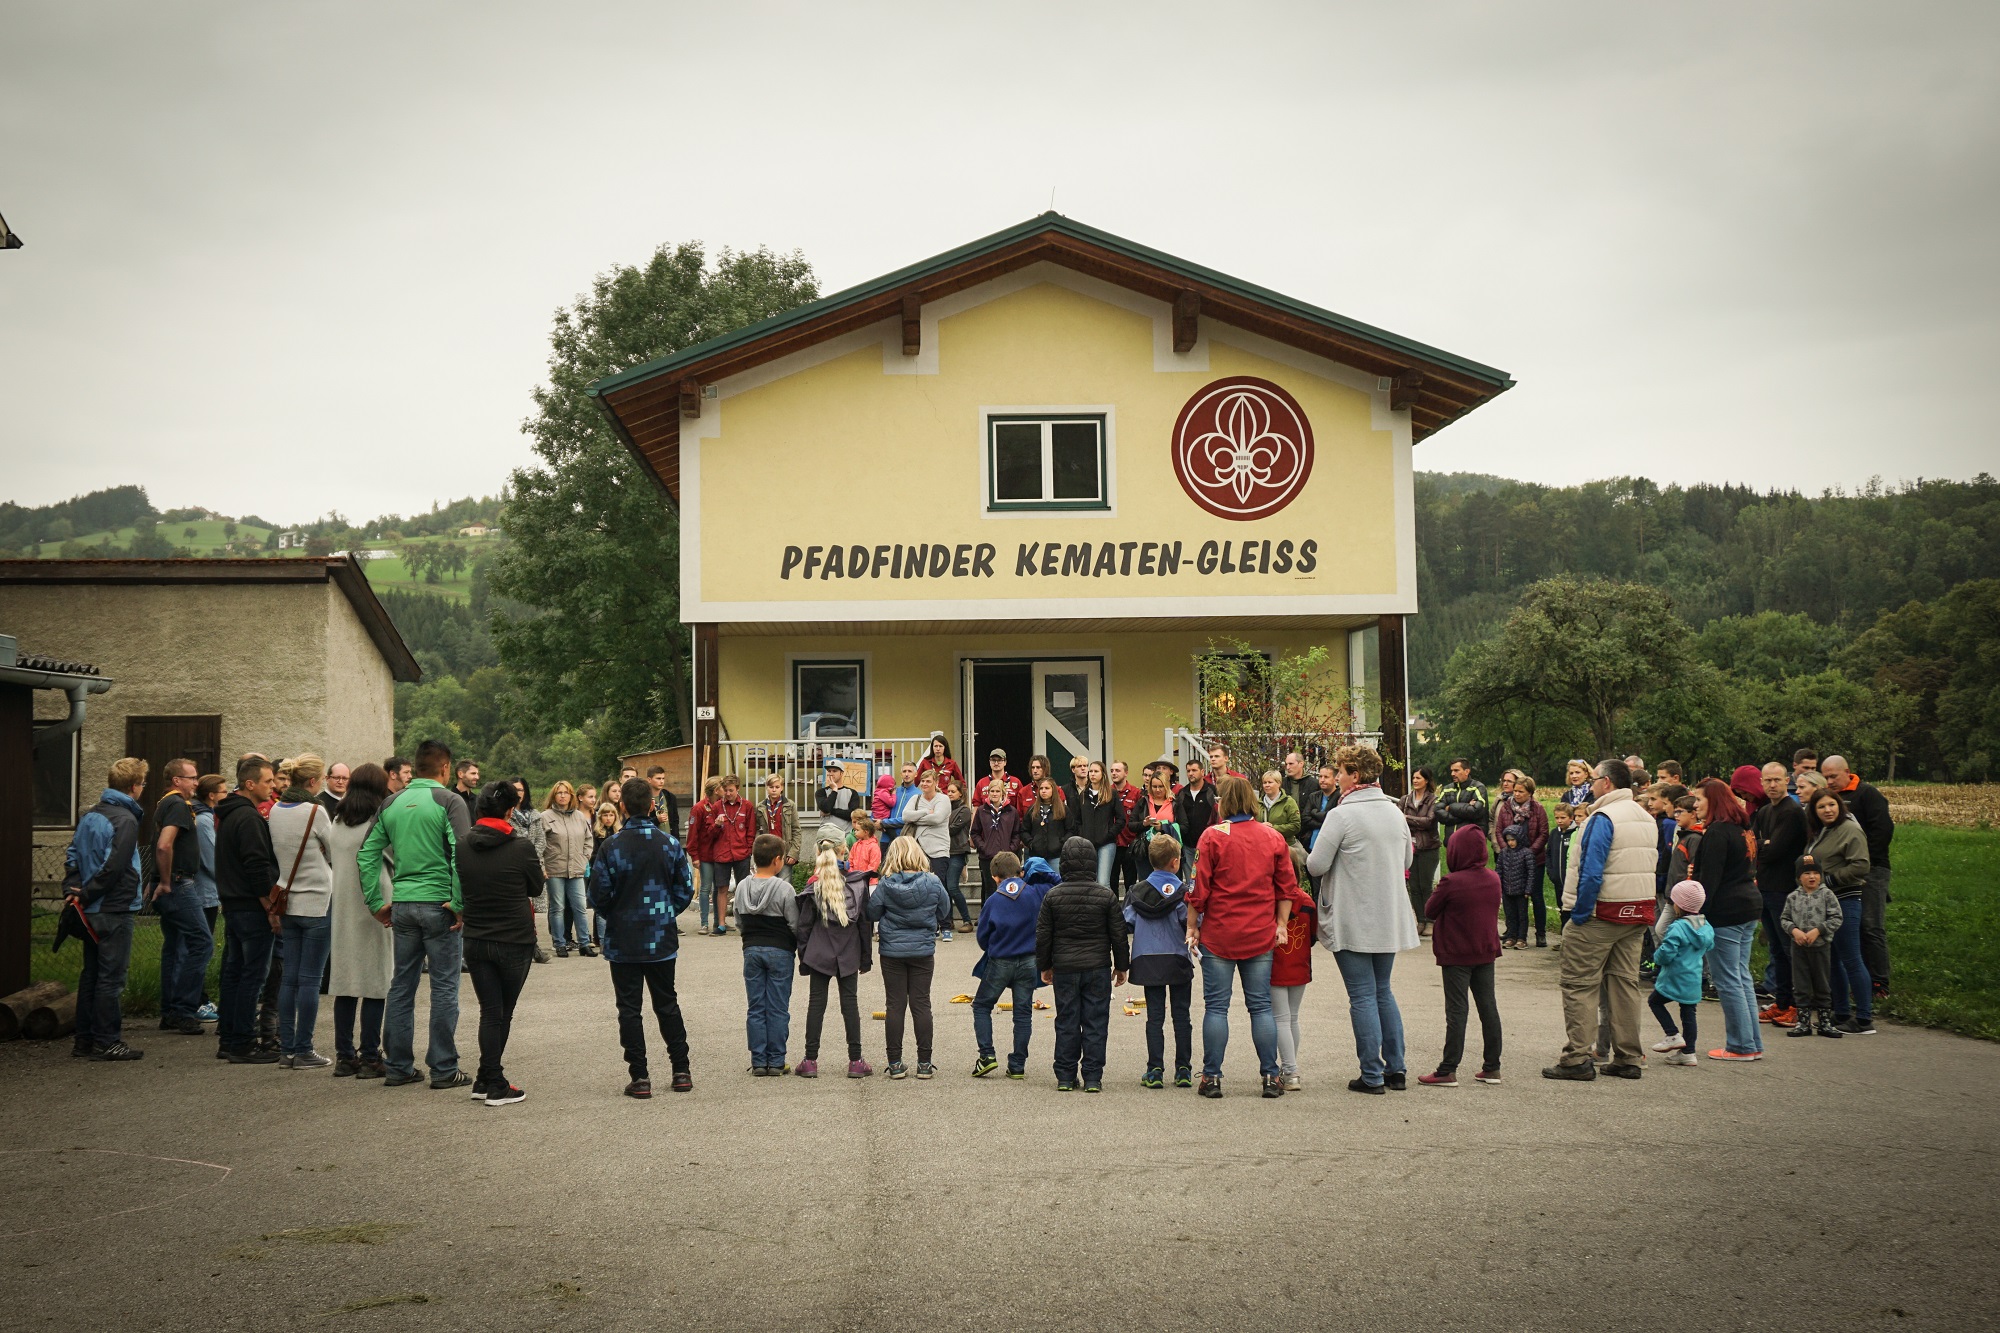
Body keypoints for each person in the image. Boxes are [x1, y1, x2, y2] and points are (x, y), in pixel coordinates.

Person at [358, 738, 473, 1090]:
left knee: (401, 986)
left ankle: (398, 1067)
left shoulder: (391, 802)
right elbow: (462, 854)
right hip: (440, 905)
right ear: (445, 769)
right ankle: (442, 1068)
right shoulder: (449, 800)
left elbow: (366, 854)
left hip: (404, 904)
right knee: (443, 987)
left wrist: (377, 903)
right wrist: (460, 902)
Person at [1307, 744, 1417, 1095]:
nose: (1336, 778)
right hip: (1387, 914)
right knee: (1382, 990)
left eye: (1340, 771)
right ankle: (1395, 1069)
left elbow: (1316, 865)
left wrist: (1299, 853)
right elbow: (1408, 861)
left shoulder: (1342, 815)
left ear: (1355, 774)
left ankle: (1372, 1074)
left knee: (1363, 996)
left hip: (1354, 915)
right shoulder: (1394, 811)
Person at [1543, 759, 1658, 1082]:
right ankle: (1628, 1056)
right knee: (1624, 984)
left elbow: (1592, 870)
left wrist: (1579, 913)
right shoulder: (1644, 816)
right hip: (1637, 910)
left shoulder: (1603, 817)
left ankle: (1577, 1056)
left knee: (1579, 983)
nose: (1590, 785)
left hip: (1601, 912)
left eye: (1594, 779)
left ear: (1606, 783)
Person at [1187, 775, 1298, 1100]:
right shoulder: (1272, 836)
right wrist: (1280, 924)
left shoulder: (1211, 837)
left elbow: (1197, 889)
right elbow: (1287, 887)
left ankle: (1212, 1077)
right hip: (1259, 933)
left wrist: (1192, 927)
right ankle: (1270, 1076)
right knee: (1261, 1006)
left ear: (1222, 803)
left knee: (1216, 1007)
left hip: (1220, 934)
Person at [590, 776, 696, 1098]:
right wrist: (664, 914)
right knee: (667, 1004)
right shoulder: (669, 844)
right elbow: (686, 889)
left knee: (629, 1009)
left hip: (624, 942)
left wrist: (619, 916)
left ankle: (640, 1078)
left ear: (622, 806)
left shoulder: (610, 847)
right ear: (652, 805)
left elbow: (598, 895)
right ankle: (681, 1071)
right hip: (661, 940)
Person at [459, 781, 544, 1105]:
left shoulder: (463, 844)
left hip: (476, 938)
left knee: (489, 1012)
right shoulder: (521, 847)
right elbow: (536, 888)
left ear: (480, 808)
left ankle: (484, 1078)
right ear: (510, 811)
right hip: (514, 939)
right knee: (501, 1014)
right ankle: (494, 1082)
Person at [64, 757, 149, 1061]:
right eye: (142, 783)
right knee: (111, 977)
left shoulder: (90, 816)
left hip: (90, 908)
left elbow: (72, 854)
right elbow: (115, 866)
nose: (143, 788)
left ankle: (84, 1040)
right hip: (113, 906)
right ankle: (107, 1041)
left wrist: (73, 890)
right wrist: (88, 894)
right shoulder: (125, 819)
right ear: (133, 787)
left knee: (92, 974)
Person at [1036, 835, 1129, 1093]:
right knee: (1096, 1021)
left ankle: (1065, 1075)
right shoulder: (1106, 895)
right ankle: (1092, 1076)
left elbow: (1043, 935)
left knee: (1066, 1020)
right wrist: (1122, 965)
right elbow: (1118, 934)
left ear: (1064, 863)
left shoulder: (1053, 896)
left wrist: (1044, 965)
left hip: (1064, 967)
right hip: (1097, 966)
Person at [1418, 825, 1503, 1086]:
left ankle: (1448, 1069)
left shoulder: (1451, 882)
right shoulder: (1493, 878)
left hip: (1456, 953)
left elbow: (1430, 910)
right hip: (1485, 950)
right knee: (1488, 1007)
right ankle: (1492, 1066)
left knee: (1457, 1011)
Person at [267, 754, 336, 1068]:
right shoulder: (316, 811)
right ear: (312, 781)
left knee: (290, 978)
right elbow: (334, 851)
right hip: (318, 900)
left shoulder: (276, 810)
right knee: (310, 979)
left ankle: (287, 1050)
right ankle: (304, 1048)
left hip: (287, 900)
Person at [327, 762, 394, 1079]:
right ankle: (370, 1056)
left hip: (342, 906)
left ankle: (344, 1056)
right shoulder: (377, 822)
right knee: (375, 982)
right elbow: (396, 857)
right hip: (375, 903)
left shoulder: (337, 822)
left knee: (345, 982)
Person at [1691, 777, 1765, 1062]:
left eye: (1699, 799)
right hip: (1747, 906)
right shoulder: (1742, 828)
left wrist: (1694, 913)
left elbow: (1708, 880)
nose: (1695, 804)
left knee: (1728, 979)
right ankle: (1751, 1042)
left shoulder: (1718, 832)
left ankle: (1741, 1046)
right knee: (1741, 976)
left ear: (1714, 801)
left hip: (1727, 911)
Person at [214, 755, 281, 1064]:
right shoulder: (249, 818)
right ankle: (242, 1042)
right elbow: (256, 865)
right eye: (268, 781)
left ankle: (229, 1038)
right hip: (250, 905)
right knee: (252, 975)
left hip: (232, 901)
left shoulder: (229, 813)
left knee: (235, 971)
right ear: (250, 783)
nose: (273, 786)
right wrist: (269, 903)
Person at [867, 836, 951, 1080]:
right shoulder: (933, 882)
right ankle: (924, 1063)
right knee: (921, 1003)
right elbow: (945, 910)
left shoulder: (886, 883)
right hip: (923, 950)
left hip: (892, 950)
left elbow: (872, 912)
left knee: (895, 1005)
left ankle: (895, 1063)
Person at [795, 846, 873, 1079]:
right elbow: (864, 926)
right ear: (845, 859)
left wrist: (804, 958)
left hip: (819, 952)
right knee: (850, 1005)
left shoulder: (814, 890)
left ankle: (810, 1060)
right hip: (849, 952)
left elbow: (804, 927)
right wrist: (866, 959)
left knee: (816, 1005)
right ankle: (855, 1061)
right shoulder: (859, 888)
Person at [1820, 754, 1893, 997]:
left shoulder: (1866, 794)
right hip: (1843, 873)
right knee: (1851, 926)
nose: (1829, 781)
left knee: (1871, 926)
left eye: (1834, 776)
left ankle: (1879, 983)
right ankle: (1855, 981)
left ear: (1847, 772)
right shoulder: (1831, 800)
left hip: (1871, 869)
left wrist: (1862, 860)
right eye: (1826, 777)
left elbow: (1883, 830)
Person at [1805, 786, 1876, 1036]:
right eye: (1821, 806)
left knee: (1851, 958)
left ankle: (1865, 1018)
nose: (1827, 810)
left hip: (1845, 900)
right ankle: (1842, 1012)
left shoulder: (1850, 829)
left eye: (1831, 805)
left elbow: (1861, 865)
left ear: (1840, 806)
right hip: (1825, 902)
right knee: (1832, 960)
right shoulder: (1823, 831)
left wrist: (1830, 881)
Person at [1122, 837, 1192, 1089]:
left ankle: (1155, 1070)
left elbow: (1126, 922)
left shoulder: (1135, 892)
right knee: (1181, 1015)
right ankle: (1183, 1069)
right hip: (1176, 957)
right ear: (1175, 862)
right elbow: (1192, 922)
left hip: (1147, 958)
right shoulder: (1184, 893)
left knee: (1154, 1017)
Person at [970, 849, 1044, 1080]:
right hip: (1030, 959)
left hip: (1001, 959)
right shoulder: (1034, 894)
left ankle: (987, 1055)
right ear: (1021, 872)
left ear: (995, 877)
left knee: (982, 1005)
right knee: (1022, 1013)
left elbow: (983, 936)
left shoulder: (993, 900)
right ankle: (1018, 1064)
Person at [150, 757, 211, 1036]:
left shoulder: (167, 802)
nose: (196, 782)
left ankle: (171, 1012)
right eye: (192, 777)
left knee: (175, 946)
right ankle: (185, 1010)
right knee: (201, 942)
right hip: (177, 883)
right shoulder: (176, 804)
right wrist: (165, 881)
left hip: (173, 883)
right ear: (177, 780)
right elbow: (164, 846)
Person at [735, 832, 802, 1076]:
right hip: (780, 951)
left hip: (751, 949)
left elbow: (739, 920)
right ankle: (776, 1060)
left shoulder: (742, 886)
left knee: (755, 1006)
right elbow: (794, 923)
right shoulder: (785, 889)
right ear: (777, 860)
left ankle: (758, 1060)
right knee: (777, 1006)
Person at [1754, 762, 1810, 1028]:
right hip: (1764, 886)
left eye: (1777, 780)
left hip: (1784, 889)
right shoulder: (1764, 811)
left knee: (1789, 950)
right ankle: (1783, 1001)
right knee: (1776, 949)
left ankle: (1798, 1006)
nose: (1772, 785)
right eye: (1767, 781)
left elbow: (1775, 850)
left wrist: (1765, 845)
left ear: (1786, 780)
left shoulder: (1792, 812)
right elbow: (1754, 847)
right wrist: (1764, 845)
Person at [1648, 879, 1714, 1068]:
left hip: (1674, 976)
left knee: (1655, 1001)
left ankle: (1672, 1034)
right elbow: (1710, 945)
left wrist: (1657, 958)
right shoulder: (1706, 927)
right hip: (1693, 977)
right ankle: (1688, 1052)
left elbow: (1667, 951)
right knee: (1688, 1013)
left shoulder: (1678, 927)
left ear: (1680, 905)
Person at [1780, 853, 1844, 1040]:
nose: (1811, 877)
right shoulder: (1793, 897)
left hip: (1821, 947)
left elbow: (1836, 917)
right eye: (1806, 873)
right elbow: (1785, 918)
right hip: (1798, 948)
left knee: (1822, 984)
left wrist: (1819, 930)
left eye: (1815, 873)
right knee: (1801, 984)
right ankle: (1803, 1022)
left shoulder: (1827, 895)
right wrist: (1794, 931)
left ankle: (1824, 1022)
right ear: (1799, 877)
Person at [1268, 858, 1318, 1092]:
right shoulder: (1307, 901)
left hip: (1277, 965)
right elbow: (1314, 934)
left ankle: (1290, 1070)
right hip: (1300, 964)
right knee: (1293, 1017)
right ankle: (1291, 1069)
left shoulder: (1271, 901)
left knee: (1280, 1019)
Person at [542, 781, 596, 957]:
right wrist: (543, 865)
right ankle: (560, 943)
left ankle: (584, 943)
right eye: (559, 793)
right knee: (557, 907)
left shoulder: (579, 816)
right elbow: (540, 843)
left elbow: (588, 839)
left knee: (580, 906)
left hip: (576, 869)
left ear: (572, 796)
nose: (563, 796)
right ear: (554, 796)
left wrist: (585, 857)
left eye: (566, 793)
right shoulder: (545, 816)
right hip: (555, 869)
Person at [903, 767, 958, 937]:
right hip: (918, 850)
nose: (925, 784)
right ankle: (930, 925)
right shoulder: (915, 798)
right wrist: (926, 812)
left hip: (938, 850)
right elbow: (905, 816)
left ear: (935, 783)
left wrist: (917, 817)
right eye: (923, 781)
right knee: (921, 889)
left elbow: (938, 818)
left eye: (928, 781)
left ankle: (946, 926)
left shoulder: (943, 799)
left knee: (940, 888)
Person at [191, 773, 224, 1023]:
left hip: (209, 893)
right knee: (201, 948)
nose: (226, 795)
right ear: (211, 795)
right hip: (205, 894)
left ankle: (198, 998)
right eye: (222, 791)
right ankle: (197, 1001)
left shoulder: (206, 817)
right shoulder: (203, 820)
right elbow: (211, 861)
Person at [707, 774, 756, 937]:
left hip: (741, 853)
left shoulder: (747, 806)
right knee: (722, 888)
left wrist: (748, 849)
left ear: (738, 789)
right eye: (725, 790)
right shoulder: (716, 807)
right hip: (722, 853)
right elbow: (709, 834)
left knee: (743, 889)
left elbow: (751, 831)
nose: (728, 794)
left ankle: (744, 922)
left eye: (731, 790)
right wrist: (717, 825)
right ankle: (721, 924)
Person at [1399, 766, 1439, 936]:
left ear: (1427, 781)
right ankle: (1420, 920)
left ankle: (1430, 921)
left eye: (1419, 778)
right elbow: (1397, 818)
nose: (1415, 781)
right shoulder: (1406, 799)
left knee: (1426, 885)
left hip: (1428, 847)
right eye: (1414, 778)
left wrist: (1407, 819)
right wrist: (1411, 820)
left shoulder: (1433, 800)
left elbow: (1429, 821)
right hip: (1410, 847)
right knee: (1414, 886)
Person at [970, 776, 1022, 902]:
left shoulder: (1011, 811)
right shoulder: (982, 811)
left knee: (1007, 888)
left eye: (997, 791)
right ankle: (990, 917)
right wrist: (984, 847)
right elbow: (975, 832)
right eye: (992, 791)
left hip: (1006, 857)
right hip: (987, 857)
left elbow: (1017, 833)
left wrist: (1010, 850)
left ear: (1003, 793)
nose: (994, 794)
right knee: (990, 890)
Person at [1076, 762, 1125, 889]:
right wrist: (1082, 835)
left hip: (1106, 843)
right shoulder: (1083, 795)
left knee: (1103, 882)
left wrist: (1109, 834)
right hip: (1087, 844)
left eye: (1096, 771)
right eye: (1090, 771)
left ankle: (1106, 908)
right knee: (1089, 881)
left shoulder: (1111, 794)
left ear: (1103, 774)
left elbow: (1121, 819)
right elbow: (1077, 820)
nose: (1092, 774)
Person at [686, 775, 722, 935]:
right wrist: (694, 855)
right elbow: (692, 834)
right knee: (705, 888)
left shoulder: (722, 806)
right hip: (705, 855)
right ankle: (704, 923)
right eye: (722, 787)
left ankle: (717, 922)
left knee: (719, 888)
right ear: (716, 790)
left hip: (720, 854)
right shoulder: (699, 808)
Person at [1172, 759, 1218, 879]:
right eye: (1188, 771)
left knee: (1208, 880)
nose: (1191, 773)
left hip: (1208, 846)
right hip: (1188, 846)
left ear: (1202, 772)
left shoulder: (1212, 791)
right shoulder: (1182, 793)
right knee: (1190, 882)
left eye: (1194, 770)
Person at [1257, 769, 1305, 882]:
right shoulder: (1257, 804)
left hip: (1285, 849)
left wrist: (1273, 829)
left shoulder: (1289, 802)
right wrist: (1260, 827)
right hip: (1264, 850)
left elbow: (1296, 826)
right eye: (1265, 783)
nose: (1267, 785)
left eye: (1270, 782)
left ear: (1278, 783)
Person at [1107, 760, 1144, 898]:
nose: (1114, 773)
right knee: (1111, 882)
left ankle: (1130, 912)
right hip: (1111, 843)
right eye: (1112, 771)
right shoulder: (1106, 792)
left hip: (1130, 843)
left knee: (1131, 883)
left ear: (1126, 773)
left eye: (1117, 770)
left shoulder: (1136, 793)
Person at [1496, 825, 1536, 949]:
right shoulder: (1504, 853)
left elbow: (1531, 873)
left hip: (1521, 891)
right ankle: (1511, 936)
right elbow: (1499, 871)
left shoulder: (1527, 853)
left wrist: (1528, 889)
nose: (1510, 842)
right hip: (1507, 890)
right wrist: (1499, 887)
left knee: (1522, 916)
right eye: (1508, 840)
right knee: (1510, 915)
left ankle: (1521, 938)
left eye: (1513, 840)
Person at [943, 778, 975, 931]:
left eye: (953, 791)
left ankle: (967, 920)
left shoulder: (965, 810)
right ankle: (948, 920)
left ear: (960, 794)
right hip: (944, 851)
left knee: (952, 887)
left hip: (958, 851)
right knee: (944, 888)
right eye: (948, 791)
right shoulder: (945, 808)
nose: (949, 794)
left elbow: (952, 829)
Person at [1436, 759, 1488, 843]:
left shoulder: (1478, 787)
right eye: (1452, 771)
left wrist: (1450, 808)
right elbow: (1437, 811)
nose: (1452, 774)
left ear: (1467, 771)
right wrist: (1465, 814)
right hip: (1451, 843)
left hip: (1472, 842)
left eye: (1456, 770)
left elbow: (1476, 811)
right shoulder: (1446, 789)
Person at [756, 773, 800, 868]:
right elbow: (756, 830)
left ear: (782, 788)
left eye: (777, 787)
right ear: (767, 788)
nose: (774, 790)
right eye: (771, 787)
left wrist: (793, 853)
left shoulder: (790, 805)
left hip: (784, 851)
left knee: (784, 882)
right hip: (766, 852)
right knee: (768, 882)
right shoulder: (760, 807)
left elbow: (796, 830)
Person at [815, 761, 864, 846]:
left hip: (845, 837)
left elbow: (852, 815)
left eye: (834, 771)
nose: (831, 774)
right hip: (826, 837)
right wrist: (834, 789)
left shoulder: (852, 793)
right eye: (829, 771)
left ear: (841, 773)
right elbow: (826, 808)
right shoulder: (821, 792)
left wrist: (832, 811)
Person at [1022, 776, 1068, 863]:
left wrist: (1061, 844)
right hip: (1036, 856)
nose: (1043, 791)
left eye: (1047, 788)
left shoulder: (1063, 809)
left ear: (1053, 790)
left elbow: (1071, 830)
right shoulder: (1032, 809)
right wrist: (1031, 843)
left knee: (1055, 877)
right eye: (1041, 788)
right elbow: (1024, 830)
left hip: (1056, 856)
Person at [645, 765, 681, 838]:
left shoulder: (670, 797)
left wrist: (676, 839)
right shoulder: (644, 798)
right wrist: (656, 820)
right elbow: (642, 821)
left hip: (669, 838)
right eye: (658, 778)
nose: (661, 781)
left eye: (663, 778)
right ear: (649, 780)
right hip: (652, 838)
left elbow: (675, 821)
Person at [847, 812, 882, 882]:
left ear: (866, 832)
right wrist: (853, 874)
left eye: (857, 830)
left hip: (870, 882)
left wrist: (864, 877)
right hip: (855, 880)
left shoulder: (874, 847)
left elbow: (873, 865)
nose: (855, 832)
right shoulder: (855, 845)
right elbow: (850, 861)